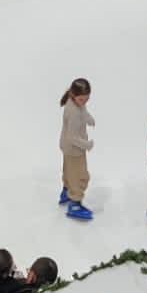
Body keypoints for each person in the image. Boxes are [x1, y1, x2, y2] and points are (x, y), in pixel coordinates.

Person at [59, 78, 96, 221]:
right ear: (74, 96)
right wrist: (87, 145)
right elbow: (72, 137)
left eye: (87, 99)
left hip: (69, 148)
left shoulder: (75, 103)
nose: (84, 102)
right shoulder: (73, 112)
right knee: (81, 176)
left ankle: (66, 191)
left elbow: (83, 111)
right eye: (82, 99)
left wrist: (89, 118)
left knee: (69, 171)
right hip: (74, 150)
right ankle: (75, 202)